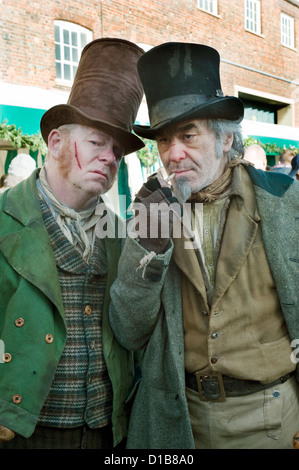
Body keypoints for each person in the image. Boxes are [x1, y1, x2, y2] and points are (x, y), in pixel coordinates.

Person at [109, 42, 299, 449]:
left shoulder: (285, 201)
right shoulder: (152, 210)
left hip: (271, 415)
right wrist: (148, 247)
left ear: (225, 138)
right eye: (163, 140)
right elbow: (129, 330)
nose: (173, 154)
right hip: (179, 419)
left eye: (188, 135)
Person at [0, 38, 144, 449]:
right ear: (57, 142)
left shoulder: (122, 234)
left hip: (105, 433)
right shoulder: (4, 218)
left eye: (117, 150)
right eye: (97, 142)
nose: (110, 157)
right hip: (20, 432)